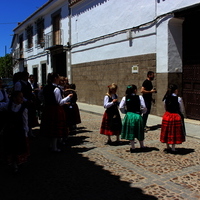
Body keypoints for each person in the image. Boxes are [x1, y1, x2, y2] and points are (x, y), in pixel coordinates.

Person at [41, 72, 73, 152]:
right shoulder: (56, 89)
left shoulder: (45, 87)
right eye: (58, 77)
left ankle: (50, 145)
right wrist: (68, 97)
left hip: (47, 109)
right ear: (55, 78)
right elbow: (60, 102)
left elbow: (40, 96)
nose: (59, 79)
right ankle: (54, 147)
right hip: (55, 110)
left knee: (49, 127)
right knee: (54, 128)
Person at [0, 91, 29, 172]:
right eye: (20, 97)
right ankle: (13, 163)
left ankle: (18, 162)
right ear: (14, 98)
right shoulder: (8, 106)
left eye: (22, 97)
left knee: (18, 147)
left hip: (19, 131)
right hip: (9, 131)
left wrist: (26, 133)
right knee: (10, 147)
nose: (22, 99)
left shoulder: (23, 108)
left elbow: (25, 121)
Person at [119, 85, 147, 152]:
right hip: (137, 115)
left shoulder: (125, 98)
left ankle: (133, 147)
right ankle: (142, 145)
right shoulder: (139, 97)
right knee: (139, 130)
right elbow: (143, 107)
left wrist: (125, 112)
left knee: (131, 130)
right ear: (135, 90)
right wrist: (142, 112)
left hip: (129, 115)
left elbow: (121, 107)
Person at [160, 84, 186, 153]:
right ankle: (173, 148)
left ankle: (168, 146)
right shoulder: (179, 99)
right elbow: (181, 109)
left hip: (167, 115)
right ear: (175, 90)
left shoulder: (166, 98)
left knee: (167, 130)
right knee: (174, 131)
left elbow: (165, 107)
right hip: (175, 116)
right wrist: (181, 114)